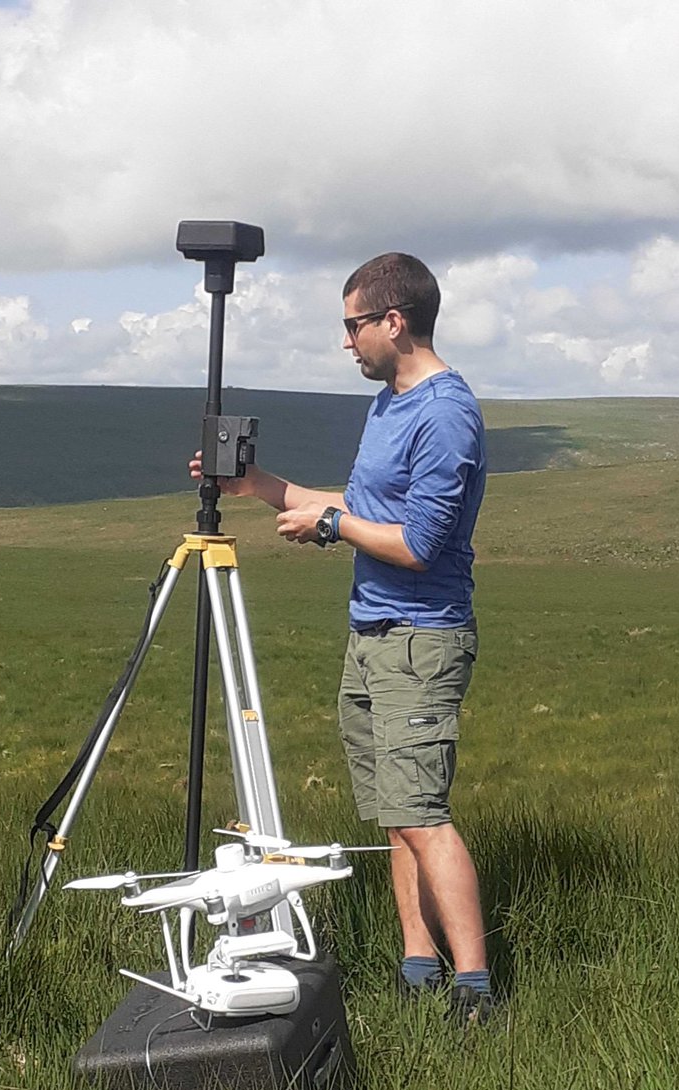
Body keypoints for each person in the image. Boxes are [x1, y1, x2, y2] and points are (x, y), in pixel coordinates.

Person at [190, 252, 493, 1025]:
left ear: (396, 322)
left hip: (419, 639)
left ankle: (474, 991)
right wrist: (259, 490)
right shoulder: (390, 403)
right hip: (374, 634)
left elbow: (419, 542)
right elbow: (359, 507)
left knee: (422, 813)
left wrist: (329, 527)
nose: (347, 342)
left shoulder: (444, 413)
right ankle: (417, 968)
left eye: (353, 326)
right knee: (396, 814)